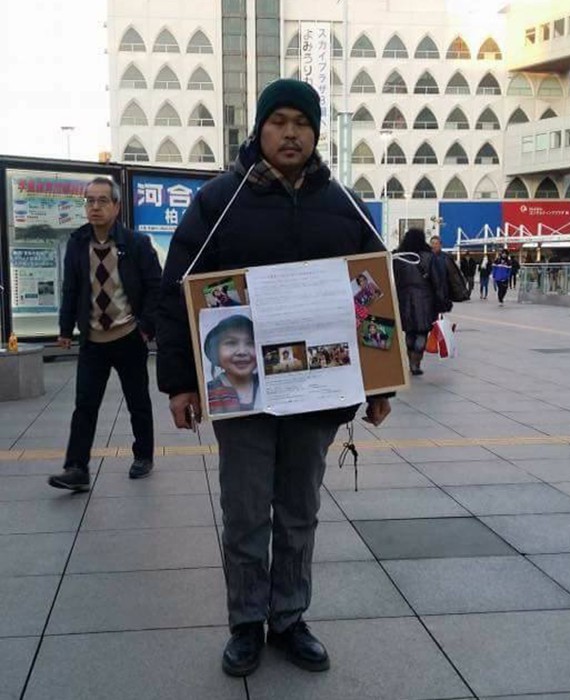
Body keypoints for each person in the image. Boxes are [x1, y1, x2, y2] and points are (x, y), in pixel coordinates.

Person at [156, 79, 391, 678]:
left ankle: (288, 618)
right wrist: (180, 382)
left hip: (317, 394)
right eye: (279, 121)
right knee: (245, 512)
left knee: (298, 511)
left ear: (316, 133)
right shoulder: (218, 201)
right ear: (259, 129)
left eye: (302, 123)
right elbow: (178, 291)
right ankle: (245, 623)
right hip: (244, 393)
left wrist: (381, 383)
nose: (291, 134)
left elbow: (373, 294)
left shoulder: (344, 204)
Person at [48, 177, 162, 491]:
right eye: (89, 201)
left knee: (137, 401)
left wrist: (146, 327)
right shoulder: (77, 243)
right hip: (93, 340)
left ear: (116, 206)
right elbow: (71, 289)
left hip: (129, 336)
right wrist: (65, 329)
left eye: (102, 200)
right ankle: (76, 468)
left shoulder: (136, 244)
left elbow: (156, 287)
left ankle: (143, 456)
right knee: (84, 405)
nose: (95, 207)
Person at [393, 229, 452, 376]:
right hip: (425, 299)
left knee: (409, 331)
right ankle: (416, 362)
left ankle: (410, 360)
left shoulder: (398, 258)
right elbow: (438, 281)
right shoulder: (429, 257)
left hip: (404, 299)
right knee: (422, 332)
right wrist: (442, 300)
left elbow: (394, 280)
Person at [204, 315, 259, 414]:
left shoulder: (268, 384)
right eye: (231, 343)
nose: (242, 352)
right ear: (215, 351)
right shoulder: (208, 392)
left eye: (250, 343)